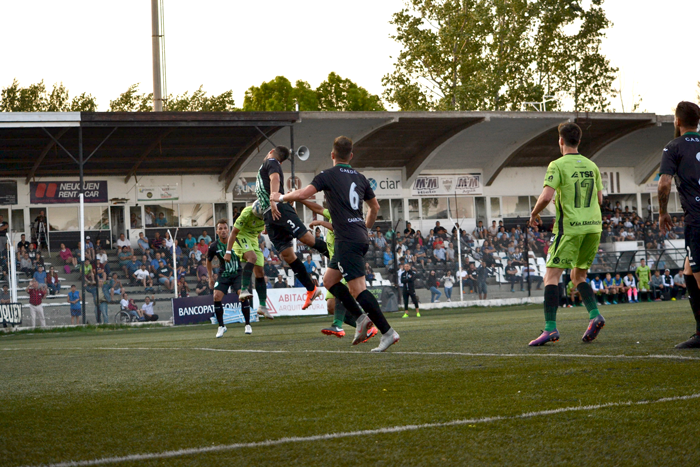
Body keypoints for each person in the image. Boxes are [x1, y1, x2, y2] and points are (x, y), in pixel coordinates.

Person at [273, 136, 399, 352]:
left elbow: (303, 194)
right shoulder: (361, 178)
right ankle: (361, 319)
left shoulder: (327, 175)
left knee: (358, 290)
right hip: (356, 236)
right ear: (351, 156)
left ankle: (387, 332)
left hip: (347, 239)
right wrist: (366, 229)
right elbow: (375, 208)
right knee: (330, 280)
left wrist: (280, 197)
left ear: (332, 155)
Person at [527, 122, 605, 346]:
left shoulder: (557, 165)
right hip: (593, 227)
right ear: (579, 141)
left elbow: (545, 197)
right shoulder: (592, 165)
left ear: (560, 141)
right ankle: (594, 315)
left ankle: (550, 328)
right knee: (577, 276)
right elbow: (599, 200)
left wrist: (534, 213)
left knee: (551, 277)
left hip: (570, 228)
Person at [257, 146, 329, 311]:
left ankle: (337, 257)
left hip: (279, 209)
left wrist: (274, 200)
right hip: (270, 216)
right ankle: (311, 289)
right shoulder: (267, 165)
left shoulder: (271, 161)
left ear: (272, 151)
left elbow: (275, 179)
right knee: (287, 255)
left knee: (307, 239)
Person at [658, 101, 700, 347]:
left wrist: (663, 212)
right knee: (688, 272)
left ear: (677, 121)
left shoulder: (673, 146)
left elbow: (664, 183)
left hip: (697, 219)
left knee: (698, 276)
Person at [223, 204, 272, 319]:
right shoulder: (246, 213)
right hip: (241, 237)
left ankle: (262, 306)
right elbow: (234, 232)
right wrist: (228, 252)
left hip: (253, 239)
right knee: (252, 258)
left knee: (260, 272)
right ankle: (244, 289)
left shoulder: (268, 213)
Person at [207, 219, 250, 337]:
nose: (223, 231)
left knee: (242, 294)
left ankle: (247, 324)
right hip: (224, 274)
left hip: (237, 273)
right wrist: (210, 277)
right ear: (217, 231)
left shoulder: (237, 241)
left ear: (229, 230)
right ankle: (221, 326)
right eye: (220, 229)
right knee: (216, 296)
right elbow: (208, 261)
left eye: (225, 228)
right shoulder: (214, 246)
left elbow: (247, 253)